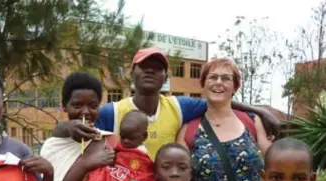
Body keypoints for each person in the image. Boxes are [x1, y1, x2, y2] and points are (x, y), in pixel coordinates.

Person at [52, 47, 280, 161]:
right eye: (144, 66)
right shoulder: (112, 112)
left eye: (158, 67)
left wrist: (260, 111)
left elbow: (218, 101)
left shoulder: (179, 107)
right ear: (133, 73)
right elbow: (75, 131)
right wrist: (62, 127)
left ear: (165, 76)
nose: (151, 70)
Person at [82, 110, 154, 181]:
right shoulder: (118, 147)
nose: (125, 141)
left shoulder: (143, 156)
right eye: (123, 137)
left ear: (144, 136)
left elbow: (147, 175)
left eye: (131, 138)